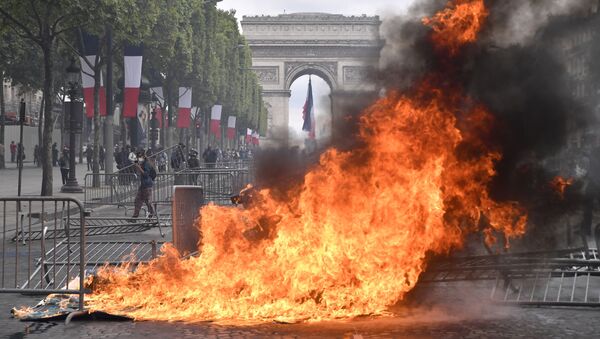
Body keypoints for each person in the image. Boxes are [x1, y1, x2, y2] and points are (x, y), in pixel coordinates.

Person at [131, 149, 156, 219]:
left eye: (139, 156)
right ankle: (134, 217)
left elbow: (146, 174)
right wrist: (136, 165)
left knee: (148, 202)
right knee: (137, 200)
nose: (138, 158)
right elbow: (136, 163)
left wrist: (139, 167)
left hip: (147, 185)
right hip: (143, 185)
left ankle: (152, 215)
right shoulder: (142, 162)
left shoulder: (147, 163)